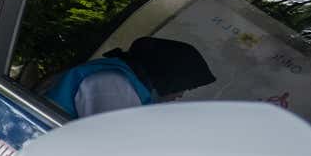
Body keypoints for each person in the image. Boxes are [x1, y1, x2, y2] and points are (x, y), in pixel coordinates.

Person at [45, 36, 216, 119]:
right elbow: (113, 146)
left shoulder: (125, 84)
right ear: (169, 77)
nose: (180, 95)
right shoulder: (113, 84)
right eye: (184, 86)